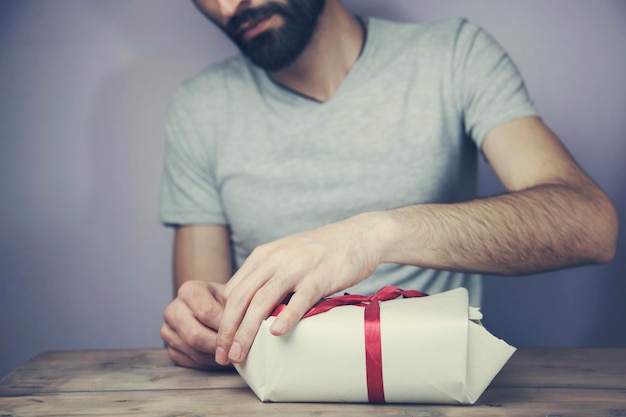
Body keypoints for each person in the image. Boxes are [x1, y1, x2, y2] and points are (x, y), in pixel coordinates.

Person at [158, 0, 618, 370]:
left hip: (432, 384)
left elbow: (590, 225)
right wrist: (199, 326)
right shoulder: (199, 106)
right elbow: (205, 303)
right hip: (282, 391)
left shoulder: (453, 53)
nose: (227, 6)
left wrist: (373, 236)